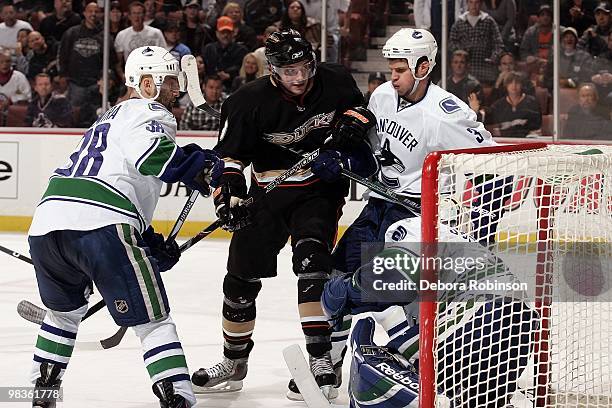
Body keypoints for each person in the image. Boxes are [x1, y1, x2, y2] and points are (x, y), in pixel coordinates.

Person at [26, 45, 223, 408]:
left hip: (47, 227)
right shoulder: (148, 111)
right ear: (146, 84)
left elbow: (115, 174)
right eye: (169, 82)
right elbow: (152, 156)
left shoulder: (108, 117)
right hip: (102, 226)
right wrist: (203, 168)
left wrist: (144, 241)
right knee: (153, 321)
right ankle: (177, 399)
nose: (176, 91)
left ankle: (41, 395)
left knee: (63, 314)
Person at [189, 29, 377, 400]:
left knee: (313, 266)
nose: (299, 77)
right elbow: (228, 160)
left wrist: (350, 131)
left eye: (305, 67)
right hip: (266, 195)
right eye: (289, 71)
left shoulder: (335, 79)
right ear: (272, 69)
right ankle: (234, 362)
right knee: (240, 280)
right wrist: (228, 197)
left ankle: (321, 359)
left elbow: (361, 112)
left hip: (318, 191)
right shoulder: (247, 101)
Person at [327, 27, 499, 393]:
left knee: (394, 294)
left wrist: (486, 221)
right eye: (391, 68)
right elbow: (372, 151)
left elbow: (494, 163)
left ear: (423, 67)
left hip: (415, 213)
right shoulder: (383, 96)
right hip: (379, 204)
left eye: (400, 69)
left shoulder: (445, 114)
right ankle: (330, 366)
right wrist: (346, 151)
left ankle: (411, 362)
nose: (393, 76)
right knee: (336, 276)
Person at [322, 216, 537, 407]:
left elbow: (396, 277)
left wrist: (350, 287)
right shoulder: (453, 247)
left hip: (482, 314)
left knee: (380, 356)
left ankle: (424, 400)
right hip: (517, 331)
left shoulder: (409, 227)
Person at [486, 71, 542, 137]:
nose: (514, 85)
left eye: (517, 83)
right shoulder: (498, 105)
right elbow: (491, 127)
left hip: (527, 139)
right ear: (506, 85)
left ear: (522, 85)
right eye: (510, 83)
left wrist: (505, 131)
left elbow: (535, 127)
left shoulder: (532, 103)